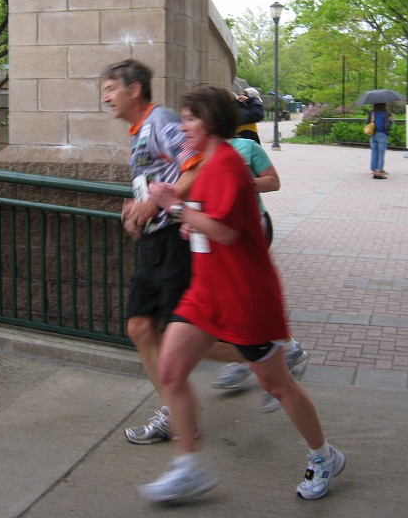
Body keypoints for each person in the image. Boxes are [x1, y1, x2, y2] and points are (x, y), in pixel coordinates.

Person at [142, 85, 344, 502]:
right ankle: (190, 466)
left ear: (212, 120)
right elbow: (210, 221)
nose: (183, 126)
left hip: (245, 296)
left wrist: (175, 208)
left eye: (190, 118)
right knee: (171, 370)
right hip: (206, 291)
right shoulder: (208, 162)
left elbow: (228, 232)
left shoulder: (229, 164)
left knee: (277, 385)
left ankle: (324, 455)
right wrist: (191, 221)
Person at [101, 59, 193, 445]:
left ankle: (272, 351)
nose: (105, 98)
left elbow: (197, 169)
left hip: (175, 240)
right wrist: (134, 210)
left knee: (182, 335)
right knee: (140, 328)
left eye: (110, 89)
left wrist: (154, 208)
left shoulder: (163, 121)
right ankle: (174, 411)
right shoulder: (140, 131)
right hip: (153, 242)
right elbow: (156, 182)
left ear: (134, 89)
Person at [211, 133, 309, 413]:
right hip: (220, 232)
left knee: (248, 297)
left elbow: (273, 181)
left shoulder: (246, 147)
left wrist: (246, 182)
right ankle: (274, 353)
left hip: (252, 228)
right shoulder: (199, 149)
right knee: (236, 298)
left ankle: (259, 358)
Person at [368, 102, 394, 178]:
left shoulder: (372, 113)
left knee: (374, 153)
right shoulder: (386, 113)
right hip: (382, 135)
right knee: (381, 154)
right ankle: (379, 171)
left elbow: (367, 123)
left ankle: (373, 170)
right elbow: (386, 127)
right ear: (384, 105)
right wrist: (391, 121)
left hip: (373, 135)